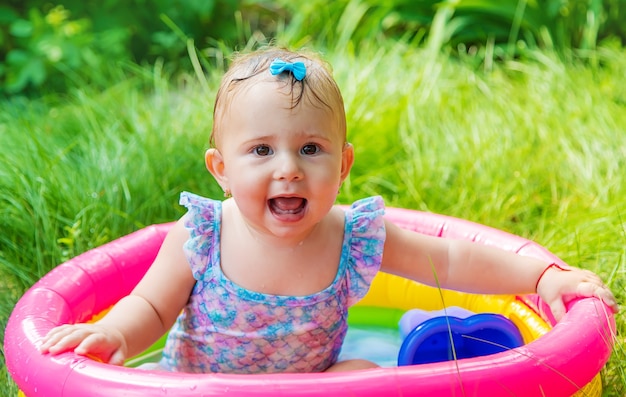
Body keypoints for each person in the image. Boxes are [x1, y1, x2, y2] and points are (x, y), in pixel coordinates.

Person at [39, 47, 619, 374]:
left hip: (312, 387)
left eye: (309, 149)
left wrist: (542, 276)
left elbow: (448, 261)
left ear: (342, 166)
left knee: (368, 379)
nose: (288, 168)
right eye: (261, 150)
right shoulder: (203, 233)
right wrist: (111, 334)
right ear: (220, 168)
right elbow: (150, 306)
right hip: (202, 387)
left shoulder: (355, 235)